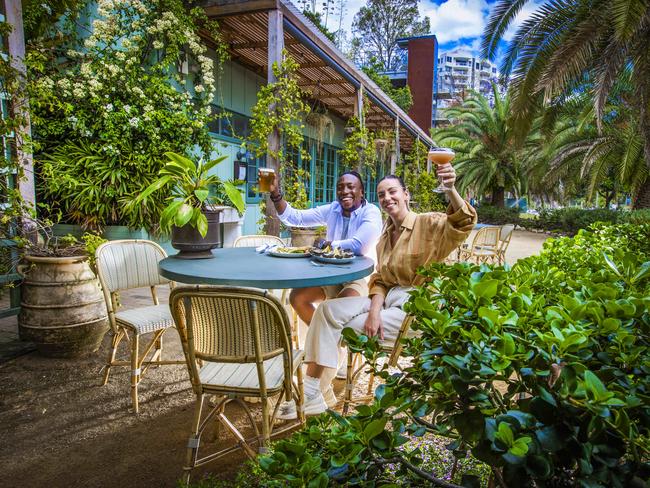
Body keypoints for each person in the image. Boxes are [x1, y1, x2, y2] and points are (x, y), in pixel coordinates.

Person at [280, 161, 477, 418]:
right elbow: (381, 279)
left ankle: (312, 392)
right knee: (326, 312)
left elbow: (463, 222)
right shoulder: (386, 235)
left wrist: (450, 189)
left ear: (406, 195)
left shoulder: (428, 223)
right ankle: (314, 394)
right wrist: (373, 309)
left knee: (342, 327)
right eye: (382, 194)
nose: (387, 197)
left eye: (393, 191)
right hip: (385, 301)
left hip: (416, 306)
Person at [265, 170, 383, 325]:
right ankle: (329, 343)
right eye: (340, 187)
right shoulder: (333, 209)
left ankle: (328, 342)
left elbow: (358, 245)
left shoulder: (371, 212)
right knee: (297, 298)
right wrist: (275, 194)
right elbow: (295, 218)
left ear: (361, 192)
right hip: (331, 277)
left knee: (331, 310)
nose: (344, 191)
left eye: (350, 187)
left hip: (358, 278)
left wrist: (326, 244)